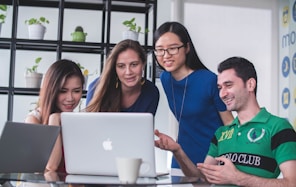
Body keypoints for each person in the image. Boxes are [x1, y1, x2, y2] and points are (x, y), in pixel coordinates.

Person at [155, 57, 296, 186]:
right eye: (220, 88)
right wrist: (177, 151)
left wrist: (238, 178)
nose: (222, 94)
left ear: (250, 84)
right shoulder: (221, 133)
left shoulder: (279, 127)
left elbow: (292, 183)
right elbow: (203, 180)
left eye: (228, 85)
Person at [153, 21, 233, 169]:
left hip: (213, 159)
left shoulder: (209, 80)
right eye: (160, 50)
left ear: (187, 48)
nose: (166, 55)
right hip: (181, 158)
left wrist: (226, 160)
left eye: (173, 48)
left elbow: (229, 124)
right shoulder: (165, 79)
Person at [25, 59, 85, 172]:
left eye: (76, 91)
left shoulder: (76, 121)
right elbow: (51, 166)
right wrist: (54, 119)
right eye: (63, 91)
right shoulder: (33, 119)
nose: (70, 98)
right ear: (51, 90)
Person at [85, 39, 159, 115]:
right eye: (121, 66)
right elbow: (89, 124)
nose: (128, 72)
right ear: (114, 68)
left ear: (143, 64)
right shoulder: (96, 87)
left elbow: (145, 125)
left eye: (134, 64)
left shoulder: (151, 92)